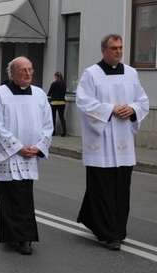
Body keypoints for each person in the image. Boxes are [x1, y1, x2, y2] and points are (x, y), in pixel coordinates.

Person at [76, 34, 149, 251]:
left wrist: (133, 109)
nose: (118, 51)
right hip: (101, 141)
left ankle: (118, 229)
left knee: (121, 187)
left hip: (124, 140)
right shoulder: (91, 74)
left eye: (120, 48)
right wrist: (111, 109)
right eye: (113, 48)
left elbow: (142, 100)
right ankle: (108, 234)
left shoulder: (131, 73)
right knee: (102, 187)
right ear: (103, 51)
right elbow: (83, 102)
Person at [0, 56, 53, 255]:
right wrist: (17, 148)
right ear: (12, 73)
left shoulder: (40, 94)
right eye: (23, 70)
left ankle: (24, 236)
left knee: (25, 195)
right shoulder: (0, 94)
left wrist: (39, 147)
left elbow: (48, 124)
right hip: (10, 155)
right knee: (10, 195)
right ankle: (16, 236)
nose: (28, 73)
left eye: (30, 69)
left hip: (30, 155)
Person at [47, 71, 67, 137]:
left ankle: (53, 131)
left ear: (56, 77)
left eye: (55, 77)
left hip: (54, 103)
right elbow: (64, 93)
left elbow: (49, 93)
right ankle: (64, 131)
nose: (54, 78)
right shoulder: (64, 84)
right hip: (62, 102)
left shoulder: (53, 84)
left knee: (53, 117)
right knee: (61, 117)